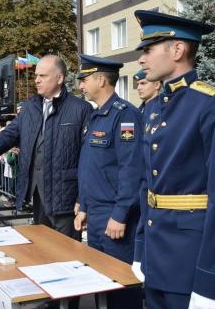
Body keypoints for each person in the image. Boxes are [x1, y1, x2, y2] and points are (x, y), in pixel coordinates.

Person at [132, 10, 215, 309]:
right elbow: (148, 185)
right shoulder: (153, 108)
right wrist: (140, 249)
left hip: (191, 260)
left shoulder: (214, 106)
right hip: (156, 257)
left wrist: (212, 282)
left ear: (177, 49)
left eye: (148, 50)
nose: (141, 59)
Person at [0, 55, 92, 308]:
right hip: (38, 196)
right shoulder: (32, 108)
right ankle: (50, 301)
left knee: (69, 259)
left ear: (59, 78)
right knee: (44, 255)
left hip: (66, 197)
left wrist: (83, 199)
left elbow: (89, 160)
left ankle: (70, 304)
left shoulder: (80, 109)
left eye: (42, 76)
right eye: (36, 75)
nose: (36, 79)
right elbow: (10, 135)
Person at [74, 54, 143, 309]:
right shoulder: (96, 116)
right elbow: (90, 165)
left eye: (85, 79)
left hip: (114, 215)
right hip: (96, 211)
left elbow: (131, 170)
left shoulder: (125, 115)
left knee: (121, 284)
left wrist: (121, 214)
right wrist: (83, 205)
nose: (81, 85)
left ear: (101, 79)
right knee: (101, 280)